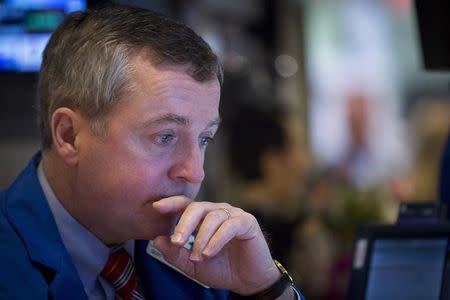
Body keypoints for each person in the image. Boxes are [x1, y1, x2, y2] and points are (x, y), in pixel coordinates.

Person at [0, 5, 305, 300]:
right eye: (165, 136)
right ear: (69, 136)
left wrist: (265, 288)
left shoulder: (200, 259)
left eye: (204, 139)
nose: (195, 172)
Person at [227, 106, 308, 265]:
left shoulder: (229, 228)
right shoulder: (270, 243)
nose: (305, 162)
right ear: (271, 163)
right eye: (298, 147)